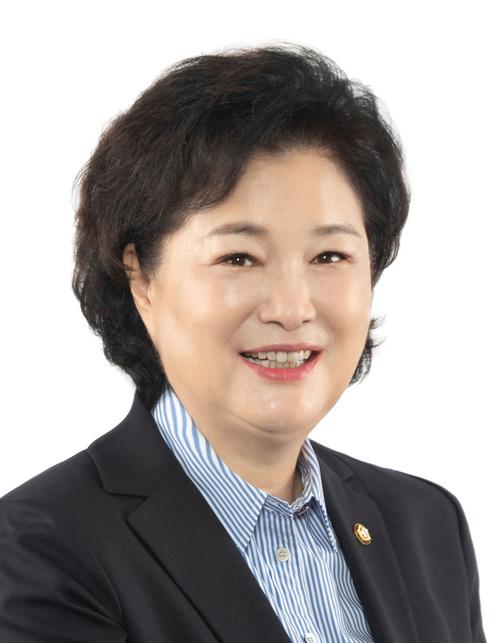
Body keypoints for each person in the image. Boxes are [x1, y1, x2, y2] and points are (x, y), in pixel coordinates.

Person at [0, 42, 486, 643]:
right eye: (239, 257)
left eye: (329, 255)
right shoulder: (41, 549)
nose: (291, 309)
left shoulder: (427, 524)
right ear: (141, 278)